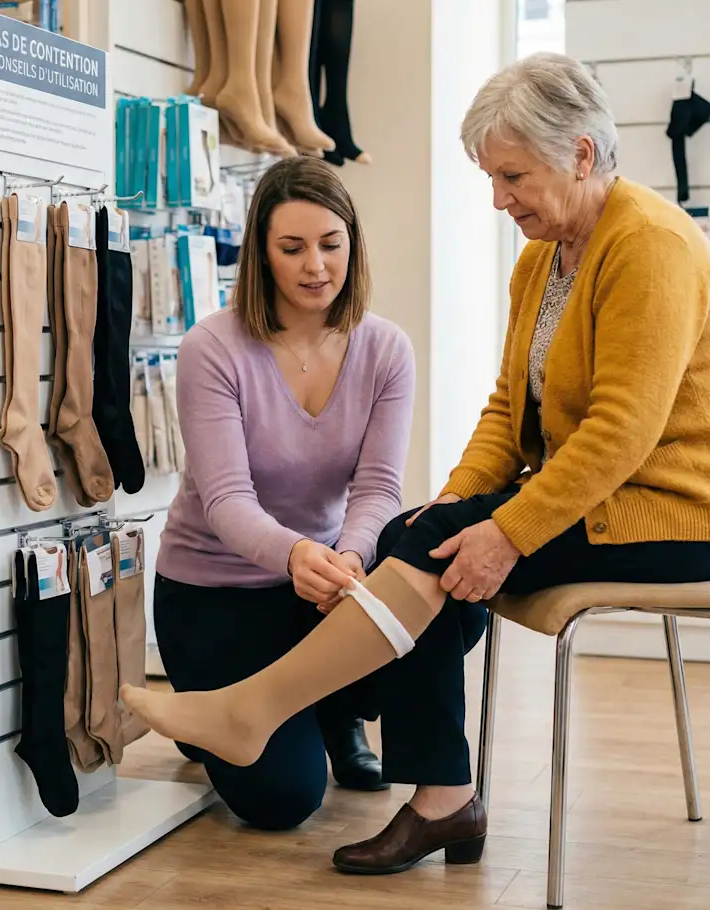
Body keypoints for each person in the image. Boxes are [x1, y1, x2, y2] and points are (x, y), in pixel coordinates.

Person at [123, 52, 710, 871]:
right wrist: (455, 509)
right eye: (493, 178)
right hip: (589, 500)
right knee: (425, 537)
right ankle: (438, 798)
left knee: (433, 554)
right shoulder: (544, 259)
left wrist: (503, 532)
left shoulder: (649, 244)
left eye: (512, 176)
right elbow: (510, 412)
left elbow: (623, 433)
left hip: (668, 513)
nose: (499, 198)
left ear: (580, 153)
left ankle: (368, 765)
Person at [150, 155, 484, 833]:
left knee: (457, 605)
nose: (315, 267)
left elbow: (379, 485)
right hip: (216, 593)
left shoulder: (386, 348)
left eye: (331, 245)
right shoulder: (211, 348)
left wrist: (351, 558)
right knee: (282, 803)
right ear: (260, 255)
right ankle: (230, 716)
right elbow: (225, 500)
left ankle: (332, 706)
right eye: (291, 248)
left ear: (353, 245)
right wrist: (296, 553)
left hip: (326, 583)